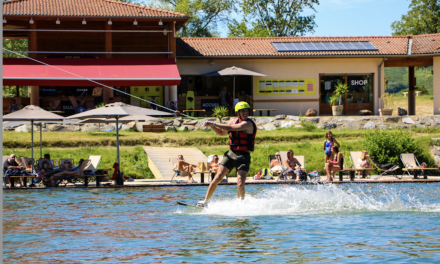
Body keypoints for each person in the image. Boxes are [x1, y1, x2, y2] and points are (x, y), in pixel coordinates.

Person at [198, 101, 257, 207]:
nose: (245, 113)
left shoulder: (248, 124)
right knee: (217, 177)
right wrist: (211, 126)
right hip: (231, 154)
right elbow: (221, 132)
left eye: (247, 111)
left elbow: (231, 128)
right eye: (243, 111)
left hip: (243, 156)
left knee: (240, 182)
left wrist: (213, 123)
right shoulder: (233, 121)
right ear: (238, 113)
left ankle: (241, 205)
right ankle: (205, 201)